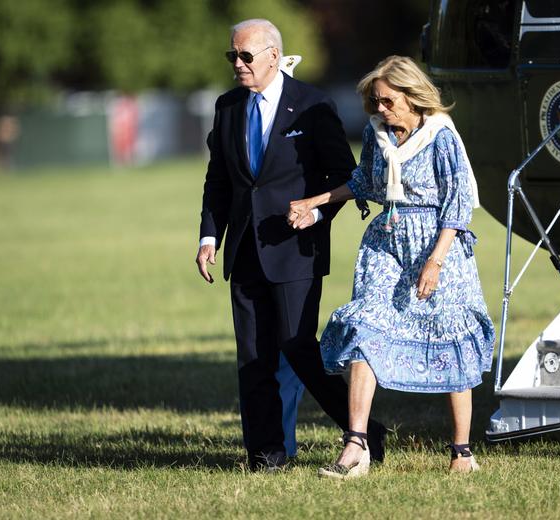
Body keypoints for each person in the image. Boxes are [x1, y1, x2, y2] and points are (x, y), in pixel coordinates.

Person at [287, 56, 495, 478]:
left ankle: (462, 453)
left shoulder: (440, 138)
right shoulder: (376, 133)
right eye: (373, 102)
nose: (379, 109)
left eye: (386, 101)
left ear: (412, 96)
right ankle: (356, 445)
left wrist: (435, 261)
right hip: (386, 244)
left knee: (449, 336)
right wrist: (316, 201)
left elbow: (456, 205)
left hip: (438, 244)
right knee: (365, 328)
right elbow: (364, 181)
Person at [195, 18, 385, 471]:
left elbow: (346, 177)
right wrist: (208, 236)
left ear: (274, 56)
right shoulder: (226, 108)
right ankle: (266, 454)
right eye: (232, 56)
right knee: (254, 356)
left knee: (298, 347)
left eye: (246, 56)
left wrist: (317, 213)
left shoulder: (312, 106)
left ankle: (363, 432)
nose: (238, 64)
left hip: (296, 251)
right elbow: (218, 180)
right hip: (243, 251)